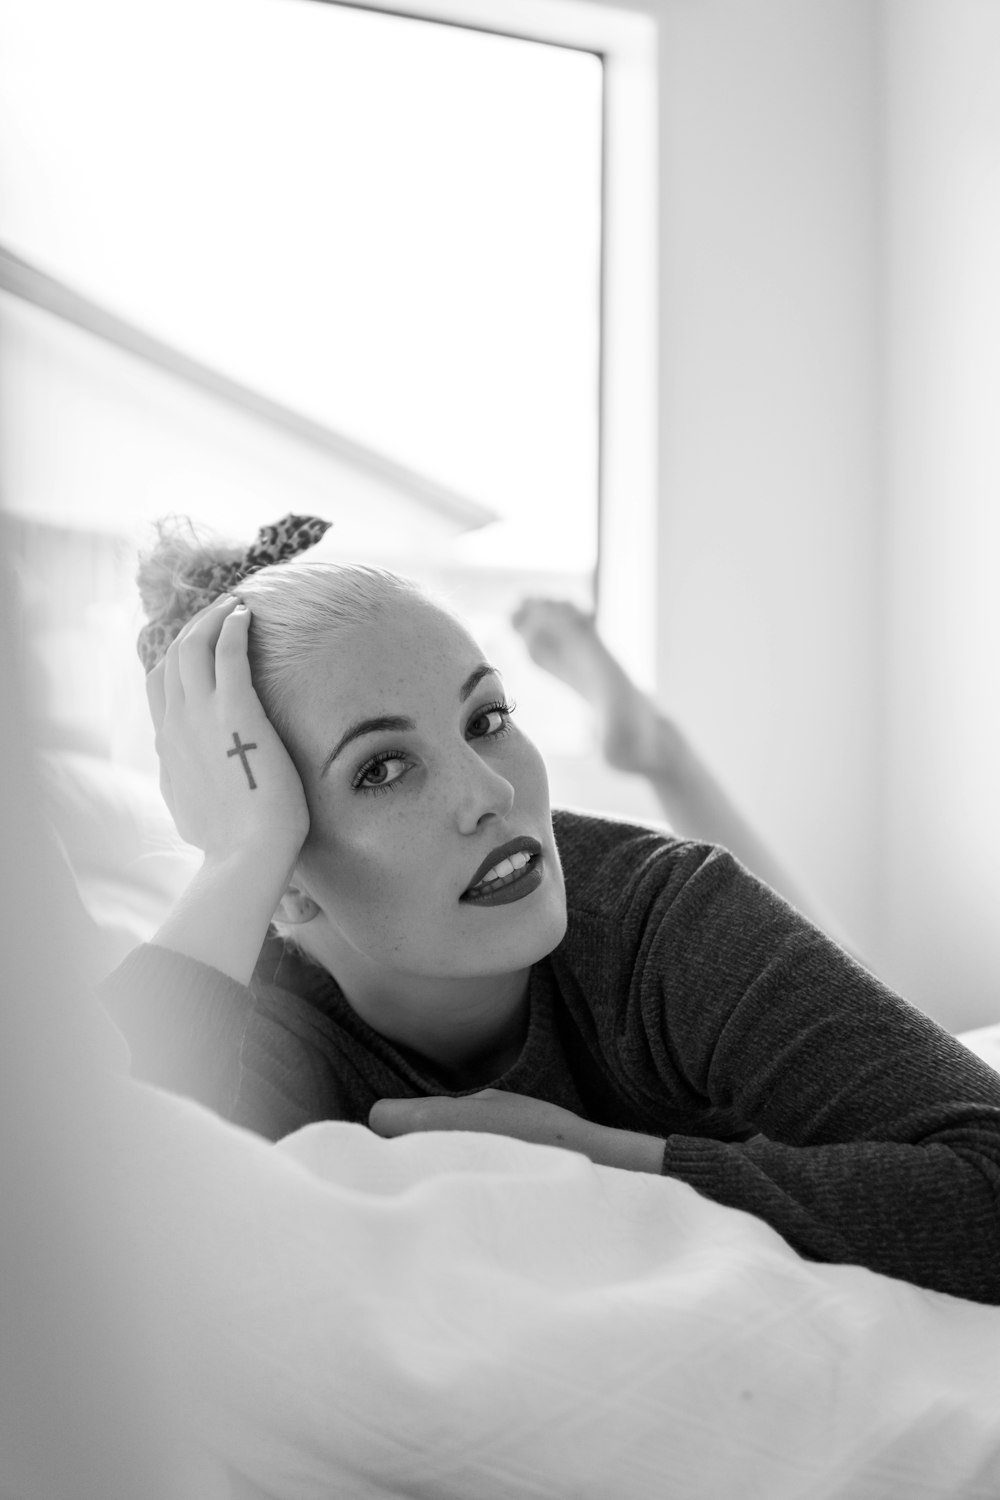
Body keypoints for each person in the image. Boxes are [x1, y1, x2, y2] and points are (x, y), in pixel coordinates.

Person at [99, 513, 1000, 1303]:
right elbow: (91, 1271)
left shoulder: (661, 914)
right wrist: (235, 865)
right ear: (284, 867)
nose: (489, 790)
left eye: (486, 717)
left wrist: (604, 1160)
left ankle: (660, 753)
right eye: (381, 768)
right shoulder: (260, 1015)